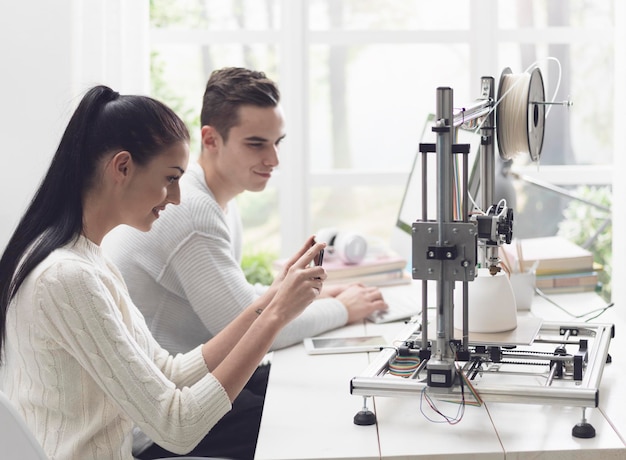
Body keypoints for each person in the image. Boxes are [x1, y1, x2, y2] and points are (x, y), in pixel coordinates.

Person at [0, 85, 327, 460]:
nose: (176, 198)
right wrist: (275, 316)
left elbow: (168, 371)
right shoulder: (66, 277)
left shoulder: (90, 260)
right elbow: (178, 427)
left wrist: (274, 295)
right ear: (122, 167)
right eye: (170, 178)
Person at [102, 67, 388, 459]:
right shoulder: (192, 211)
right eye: (256, 144)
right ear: (210, 139)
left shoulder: (215, 200)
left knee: (326, 394)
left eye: (277, 142)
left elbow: (237, 302)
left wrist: (318, 297)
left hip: (197, 384)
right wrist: (343, 309)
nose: (273, 159)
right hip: (165, 421)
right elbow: (251, 326)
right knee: (322, 421)